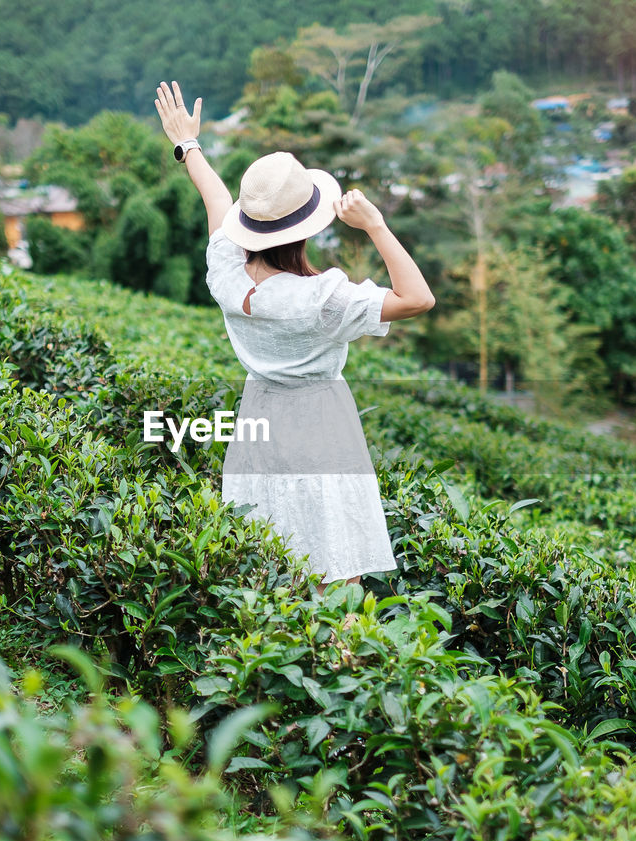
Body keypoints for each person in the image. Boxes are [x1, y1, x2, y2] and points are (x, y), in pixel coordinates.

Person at [154, 80, 435, 590]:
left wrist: (186, 144)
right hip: (320, 420)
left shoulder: (226, 273)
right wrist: (374, 225)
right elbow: (417, 298)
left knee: (271, 549)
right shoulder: (322, 299)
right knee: (332, 555)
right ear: (305, 228)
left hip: (259, 412)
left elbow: (215, 199)